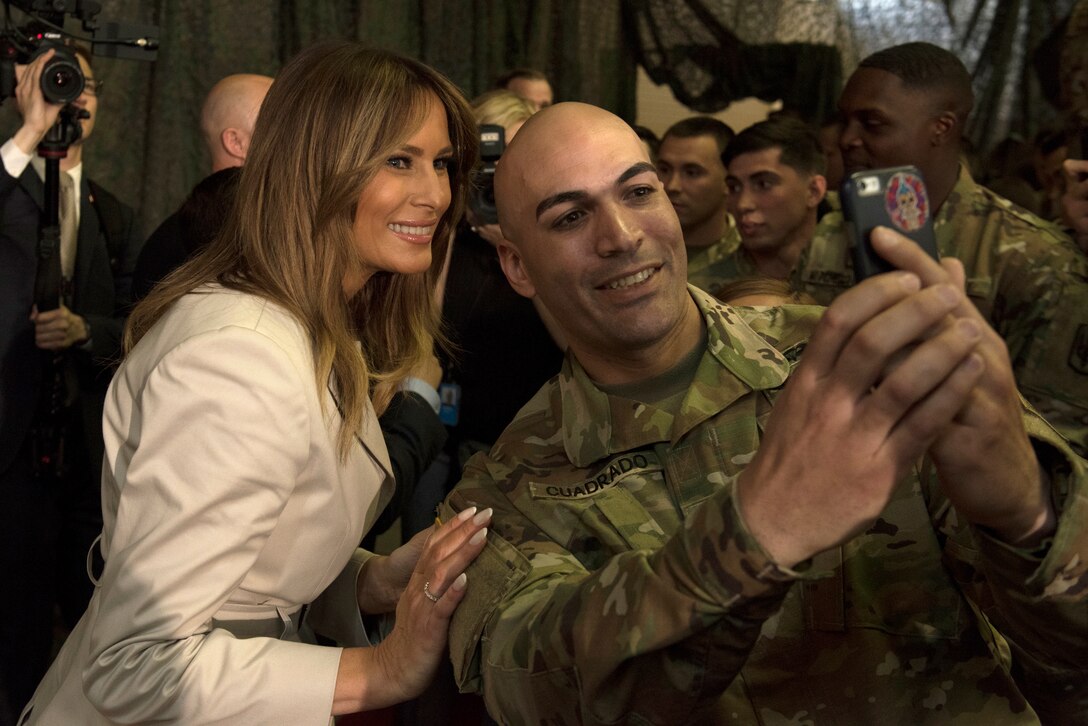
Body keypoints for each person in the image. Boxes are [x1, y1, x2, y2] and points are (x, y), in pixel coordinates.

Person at [439, 102, 1087, 724]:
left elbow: (1068, 649)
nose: (623, 236)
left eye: (639, 192)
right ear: (518, 265)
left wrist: (1028, 512)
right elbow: (559, 699)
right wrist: (755, 532)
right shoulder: (504, 496)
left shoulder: (864, 362)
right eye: (570, 217)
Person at [19, 42, 492, 724]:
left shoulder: (311, 328)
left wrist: (370, 580)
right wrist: (380, 671)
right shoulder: (241, 359)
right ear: (316, 168)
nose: (437, 195)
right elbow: (133, 661)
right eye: (399, 160)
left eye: (442, 163)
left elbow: (252, 570)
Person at [796, 41, 1088, 455]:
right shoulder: (828, 237)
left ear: (942, 127)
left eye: (872, 123)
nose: (847, 139)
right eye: (845, 121)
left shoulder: (1035, 259)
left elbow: (1056, 447)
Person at [0, 44, 142, 724]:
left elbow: (141, 327)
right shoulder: (9, 183)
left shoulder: (114, 215)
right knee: (13, 630)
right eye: (58, 84)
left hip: (87, 452)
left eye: (84, 87)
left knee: (90, 624)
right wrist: (28, 131)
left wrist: (88, 331)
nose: (73, 99)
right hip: (10, 451)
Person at [718, 116, 828, 282]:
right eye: (734, 188)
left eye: (763, 184)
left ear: (813, 191)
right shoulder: (702, 292)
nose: (742, 204)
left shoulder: (856, 269)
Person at [654, 116, 741, 289]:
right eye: (664, 169)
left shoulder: (753, 260)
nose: (672, 186)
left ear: (728, 181)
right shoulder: (634, 247)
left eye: (692, 172)